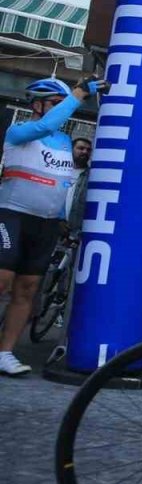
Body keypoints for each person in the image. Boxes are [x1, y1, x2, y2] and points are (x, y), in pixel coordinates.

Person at [0, 77, 104, 375]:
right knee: (3, 281)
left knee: (28, 289)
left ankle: (5, 352)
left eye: (63, 105)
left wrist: (60, 219)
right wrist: (79, 93)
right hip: (12, 215)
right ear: (37, 104)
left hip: (46, 224)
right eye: (56, 105)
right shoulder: (20, 131)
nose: (63, 111)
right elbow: (46, 126)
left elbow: (61, 183)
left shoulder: (63, 142)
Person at [64, 137, 92, 240]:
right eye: (81, 148)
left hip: (75, 234)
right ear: (71, 149)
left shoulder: (92, 176)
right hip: (52, 226)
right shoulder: (60, 171)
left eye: (88, 150)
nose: (85, 152)